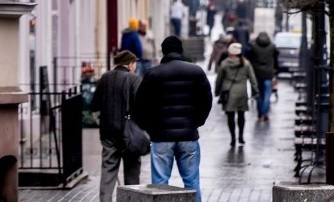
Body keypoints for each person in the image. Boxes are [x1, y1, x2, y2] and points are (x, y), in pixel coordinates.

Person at [133, 36, 212, 202]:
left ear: (163, 51)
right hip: (188, 136)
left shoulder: (153, 74)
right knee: (192, 182)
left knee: (160, 184)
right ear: (181, 50)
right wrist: (196, 122)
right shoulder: (196, 72)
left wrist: (149, 127)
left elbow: (140, 104)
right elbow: (206, 100)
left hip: (161, 137)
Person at [91, 50, 142, 202]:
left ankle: (105, 199)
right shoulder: (134, 79)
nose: (135, 66)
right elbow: (141, 107)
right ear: (130, 64)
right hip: (129, 134)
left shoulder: (105, 78)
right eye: (134, 63)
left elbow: (95, 105)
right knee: (132, 172)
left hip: (107, 133)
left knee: (108, 172)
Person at [215, 43, 258, 147]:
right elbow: (253, 79)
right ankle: (241, 137)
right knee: (241, 115)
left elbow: (219, 80)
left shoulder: (225, 63)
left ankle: (233, 138)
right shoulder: (246, 64)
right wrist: (255, 91)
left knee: (230, 116)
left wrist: (216, 92)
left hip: (228, 93)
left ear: (230, 52)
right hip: (242, 92)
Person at [245, 32, 280, 120]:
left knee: (258, 93)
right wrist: (275, 69)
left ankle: (260, 112)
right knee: (267, 94)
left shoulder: (253, 47)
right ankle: (265, 112)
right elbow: (276, 58)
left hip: (256, 73)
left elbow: (248, 57)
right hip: (268, 73)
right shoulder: (272, 47)